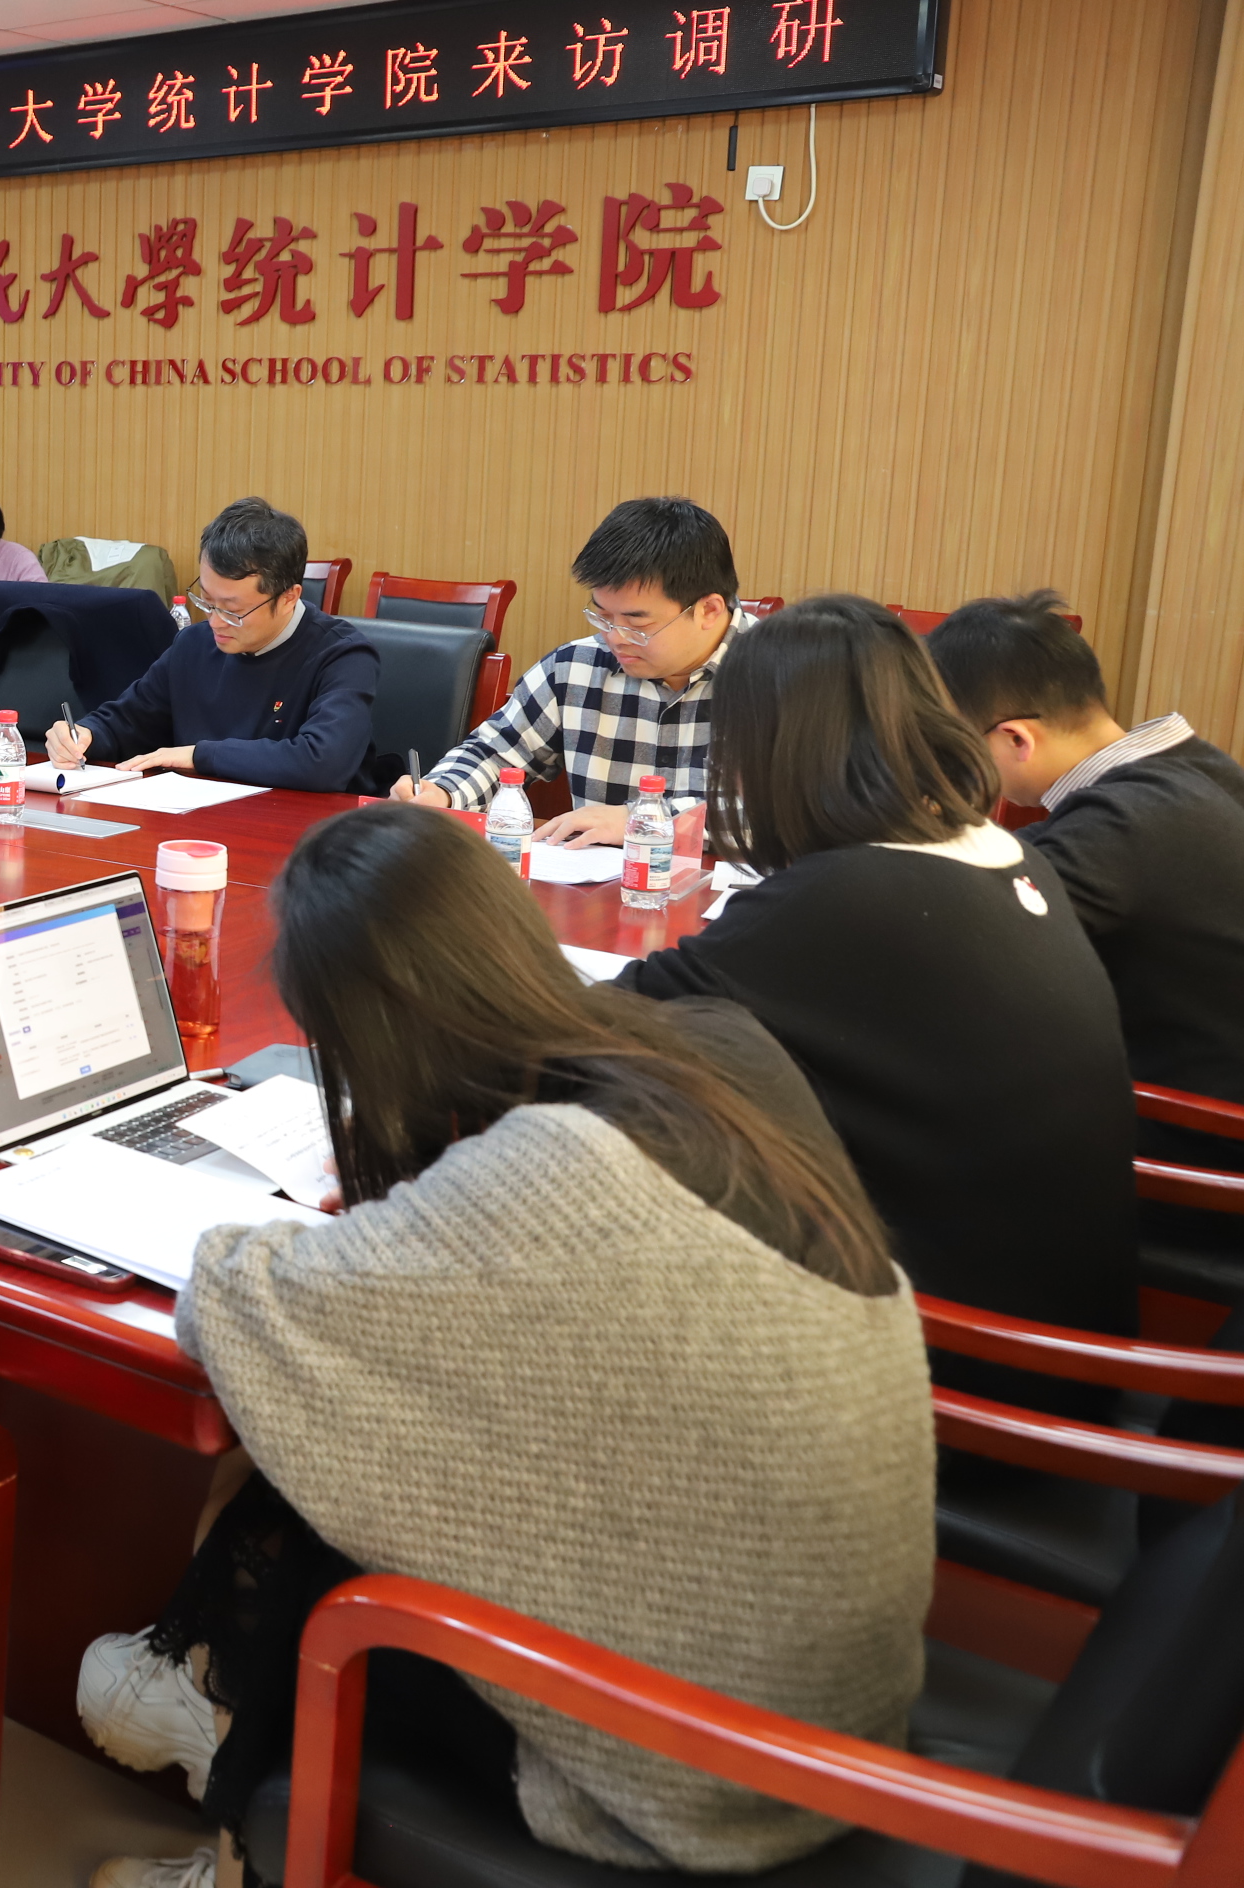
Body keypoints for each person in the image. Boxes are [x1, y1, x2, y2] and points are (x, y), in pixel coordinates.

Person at [84, 801, 927, 1888]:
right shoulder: (705, 1041)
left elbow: (232, 1296)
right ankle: (204, 1711)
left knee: (333, 1470)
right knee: (389, 1409)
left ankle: (221, 1755)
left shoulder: (547, 1170)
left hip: (705, 1774)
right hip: (830, 1691)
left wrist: (392, 1213)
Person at [619, 596, 1137, 1408]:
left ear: (772, 748)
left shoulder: (849, 894)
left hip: (961, 1375)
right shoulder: (1001, 853)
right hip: (1071, 1349)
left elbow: (601, 1021)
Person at [929, 591, 1244, 1177]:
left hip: (1194, 1157)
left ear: (1016, 739)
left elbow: (955, 942)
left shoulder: (1124, 824)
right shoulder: (1196, 766)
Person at [392, 497, 755, 845]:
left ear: (708, 610)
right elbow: (496, 753)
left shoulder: (777, 672)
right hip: (600, 882)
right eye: (603, 615)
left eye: (637, 623)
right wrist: (442, 792)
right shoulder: (577, 667)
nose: (615, 638)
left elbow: (780, 812)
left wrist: (643, 821)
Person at [48, 498, 376, 791]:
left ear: (289, 597)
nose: (215, 622)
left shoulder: (341, 655)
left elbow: (323, 762)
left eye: (232, 610)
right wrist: (85, 735)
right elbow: (127, 722)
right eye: (206, 601)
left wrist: (200, 756)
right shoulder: (193, 644)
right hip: (197, 822)